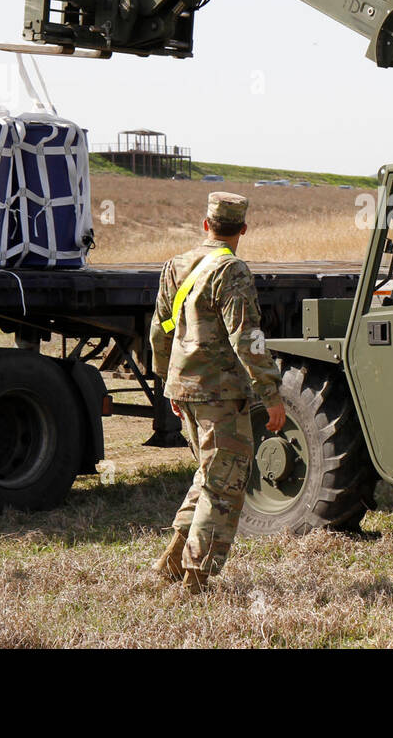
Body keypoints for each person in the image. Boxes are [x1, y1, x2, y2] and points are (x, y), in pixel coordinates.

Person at [149, 192, 286, 593]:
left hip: (186, 391)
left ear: (205, 225)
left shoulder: (175, 266)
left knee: (210, 475)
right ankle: (196, 578)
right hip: (220, 396)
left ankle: (172, 563)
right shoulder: (233, 270)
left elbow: (160, 329)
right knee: (224, 484)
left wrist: (169, 383)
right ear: (242, 229)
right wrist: (272, 393)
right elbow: (249, 339)